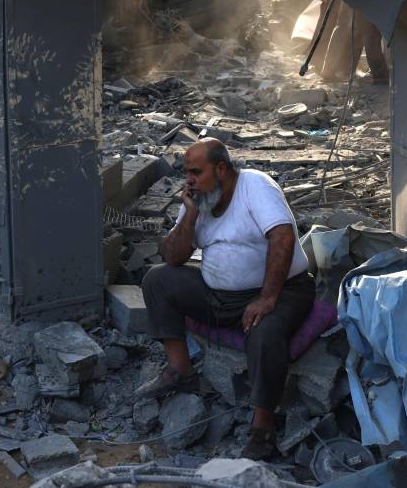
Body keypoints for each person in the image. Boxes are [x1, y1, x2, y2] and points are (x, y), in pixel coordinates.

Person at [135, 138, 315, 460]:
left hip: (281, 290)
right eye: (185, 172)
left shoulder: (255, 186)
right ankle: (181, 372)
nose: (188, 180)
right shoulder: (197, 200)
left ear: (221, 169)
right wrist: (189, 216)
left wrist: (267, 297)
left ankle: (262, 430)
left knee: (266, 332)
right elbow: (173, 256)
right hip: (219, 296)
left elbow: (283, 237)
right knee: (157, 279)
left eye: (195, 172)